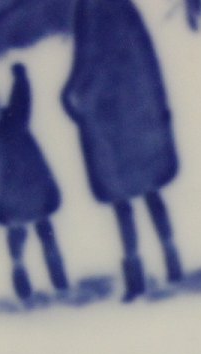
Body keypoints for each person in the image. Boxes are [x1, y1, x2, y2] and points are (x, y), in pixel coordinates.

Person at [62, 0, 184, 301]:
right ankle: (171, 262)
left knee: (123, 200)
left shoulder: (93, 8)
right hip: (134, 112)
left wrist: (75, 97)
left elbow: (92, 59)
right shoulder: (115, 7)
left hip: (112, 119)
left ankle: (138, 276)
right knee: (146, 191)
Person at [0, 65, 70, 302]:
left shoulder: (10, 120)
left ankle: (55, 277)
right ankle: (23, 273)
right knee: (22, 236)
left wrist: (21, 79)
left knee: (41, 233)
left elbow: (22, 99)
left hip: (30, 189)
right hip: (18, 194)